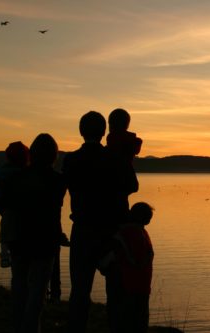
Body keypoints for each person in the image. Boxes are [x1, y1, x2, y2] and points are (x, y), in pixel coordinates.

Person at [63, 111, 130, 333]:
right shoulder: (114, 158)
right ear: (104, 132)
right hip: (110, 232)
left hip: (82, 230)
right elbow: (132, 186)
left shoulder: (71, 160)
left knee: (80, 291)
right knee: (115, 291)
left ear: (81, 132)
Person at [9, 133, 67, 333]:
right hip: (45, 240)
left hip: (19, 238)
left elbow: (11, 209)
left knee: (19, 286)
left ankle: (18, 326)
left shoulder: (17, 178)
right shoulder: (58, 181)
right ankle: (32, 328)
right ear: (53, 156)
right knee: (38, 291)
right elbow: (54, 212)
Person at [100, 202, 154, 333]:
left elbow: (105, 262)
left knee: (127, 320)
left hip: (133, 286)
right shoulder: (134, 234)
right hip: (133, 286)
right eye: (149, 217)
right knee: (136, 321)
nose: (150, 220)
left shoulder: (127, 233)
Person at [0, 141, 30, 268]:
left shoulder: (0, 170)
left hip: (7, 209)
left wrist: (0, 199)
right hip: (25, 216)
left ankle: (4, 253)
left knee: (6, 228)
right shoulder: (27, 171)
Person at [106, 108, 143, 196]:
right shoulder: (130, 144)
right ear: (127, 125)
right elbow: (133, 186)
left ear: (110, 125)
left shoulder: (105, 151)